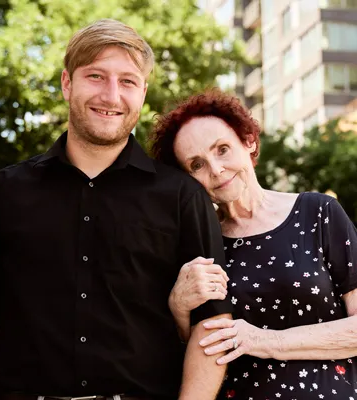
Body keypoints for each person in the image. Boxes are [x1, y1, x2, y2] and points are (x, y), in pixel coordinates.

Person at [0, 21, 233, 400]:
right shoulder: (4, 192)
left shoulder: (183, 196)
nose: (112, 95)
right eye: (96, 76)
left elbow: (212, 324)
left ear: (144, 92)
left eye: (128, 81)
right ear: (67, 83)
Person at [150, 88, 357, 399]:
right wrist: (178, 308)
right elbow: (190, 356)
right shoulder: (196, 246)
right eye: (196, 165)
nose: (216, 170)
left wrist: (261, 340)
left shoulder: (319, 213)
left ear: (248, 142)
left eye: (222, 149)